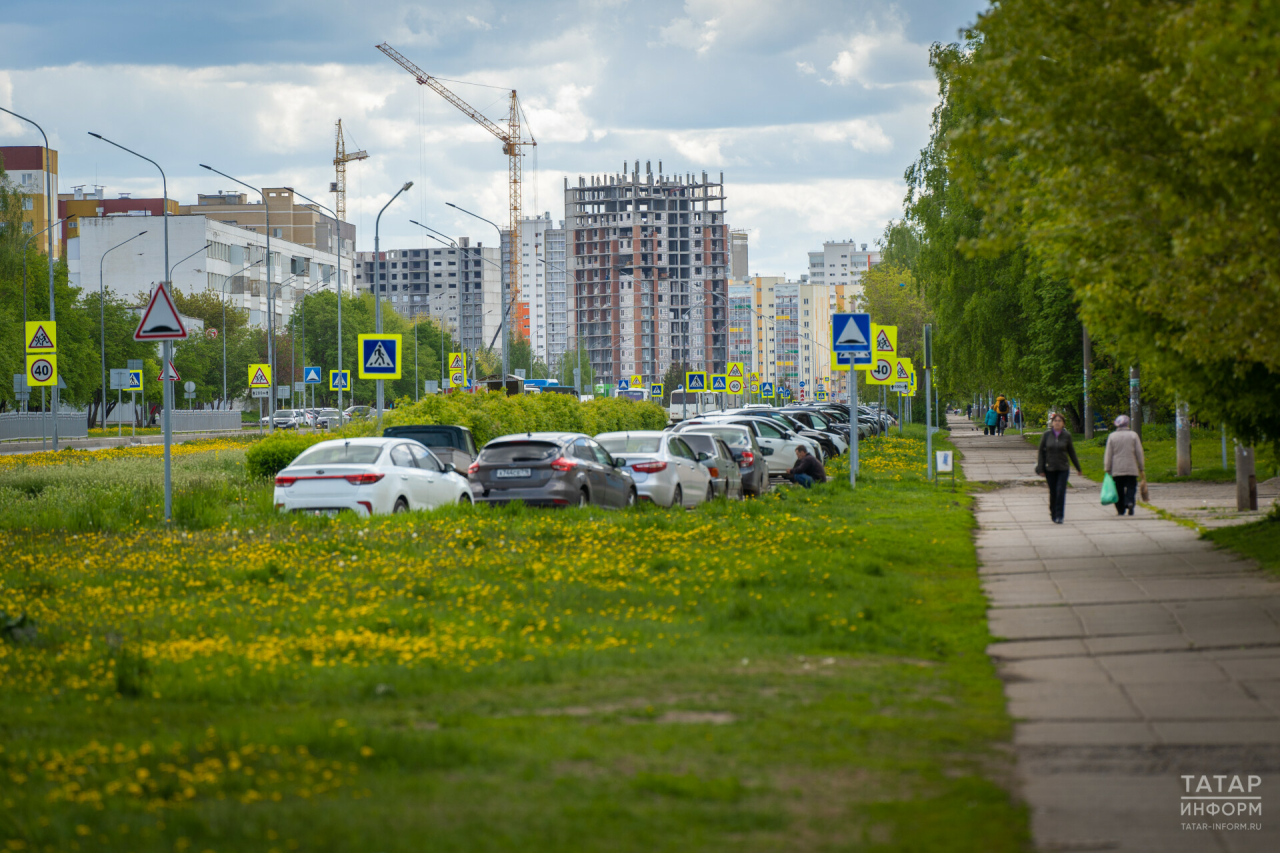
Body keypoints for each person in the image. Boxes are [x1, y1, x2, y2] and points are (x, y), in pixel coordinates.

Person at [1036, 412, 1083, 524]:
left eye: (1059, 421)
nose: (1057, 423)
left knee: (1061, 491)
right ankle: (1053, 512)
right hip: (1050, 468)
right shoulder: (1046, 435)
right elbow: (1041, 452)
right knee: (1053, 492)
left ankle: (1059, 515)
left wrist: (1078, 468)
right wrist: (1040, 468)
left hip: (1063, 468)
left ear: (1063, 424)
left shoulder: (1067, 436)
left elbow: (1071, 452)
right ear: (1052, 423)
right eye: (1055, 421)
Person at [1103, 414, 1145, 516]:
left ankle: (1120, 509)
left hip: (1117, 468)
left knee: (1118, 489)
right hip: (1131, 467)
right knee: (1131, 487)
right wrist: (1141, 466)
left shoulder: (1112, 436)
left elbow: (1108, 453)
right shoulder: (1133, 435)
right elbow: (1139, 452)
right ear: (1127, 423)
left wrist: (1107, 467)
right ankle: (1129, 502)